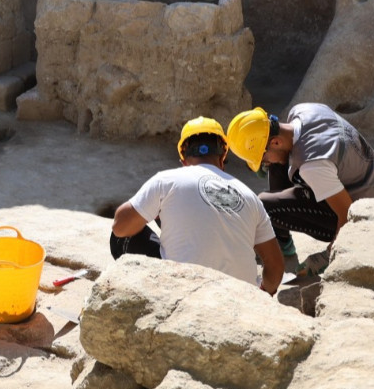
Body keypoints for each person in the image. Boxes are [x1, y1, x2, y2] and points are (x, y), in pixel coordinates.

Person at [110, 116, 284, 295]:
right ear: (222, 157)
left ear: (183, 159)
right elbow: (276, 267)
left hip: (186, 293)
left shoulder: (166, 181)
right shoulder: (250, 196)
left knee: (122, 237)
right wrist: (264, 293)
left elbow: (120, 227)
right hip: (240, 299)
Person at [225, 104, 374, 275]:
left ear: (275, 141)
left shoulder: (313, 165)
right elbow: (286, 153)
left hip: (366, 216)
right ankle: (281, 240)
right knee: (278, 162)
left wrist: (329, 255)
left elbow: (347, 214)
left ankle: (281, 240)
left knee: (265, 205)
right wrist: (269, 161)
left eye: (262, 158)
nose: (264, 163)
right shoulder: (304, 110)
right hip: (365, 181)